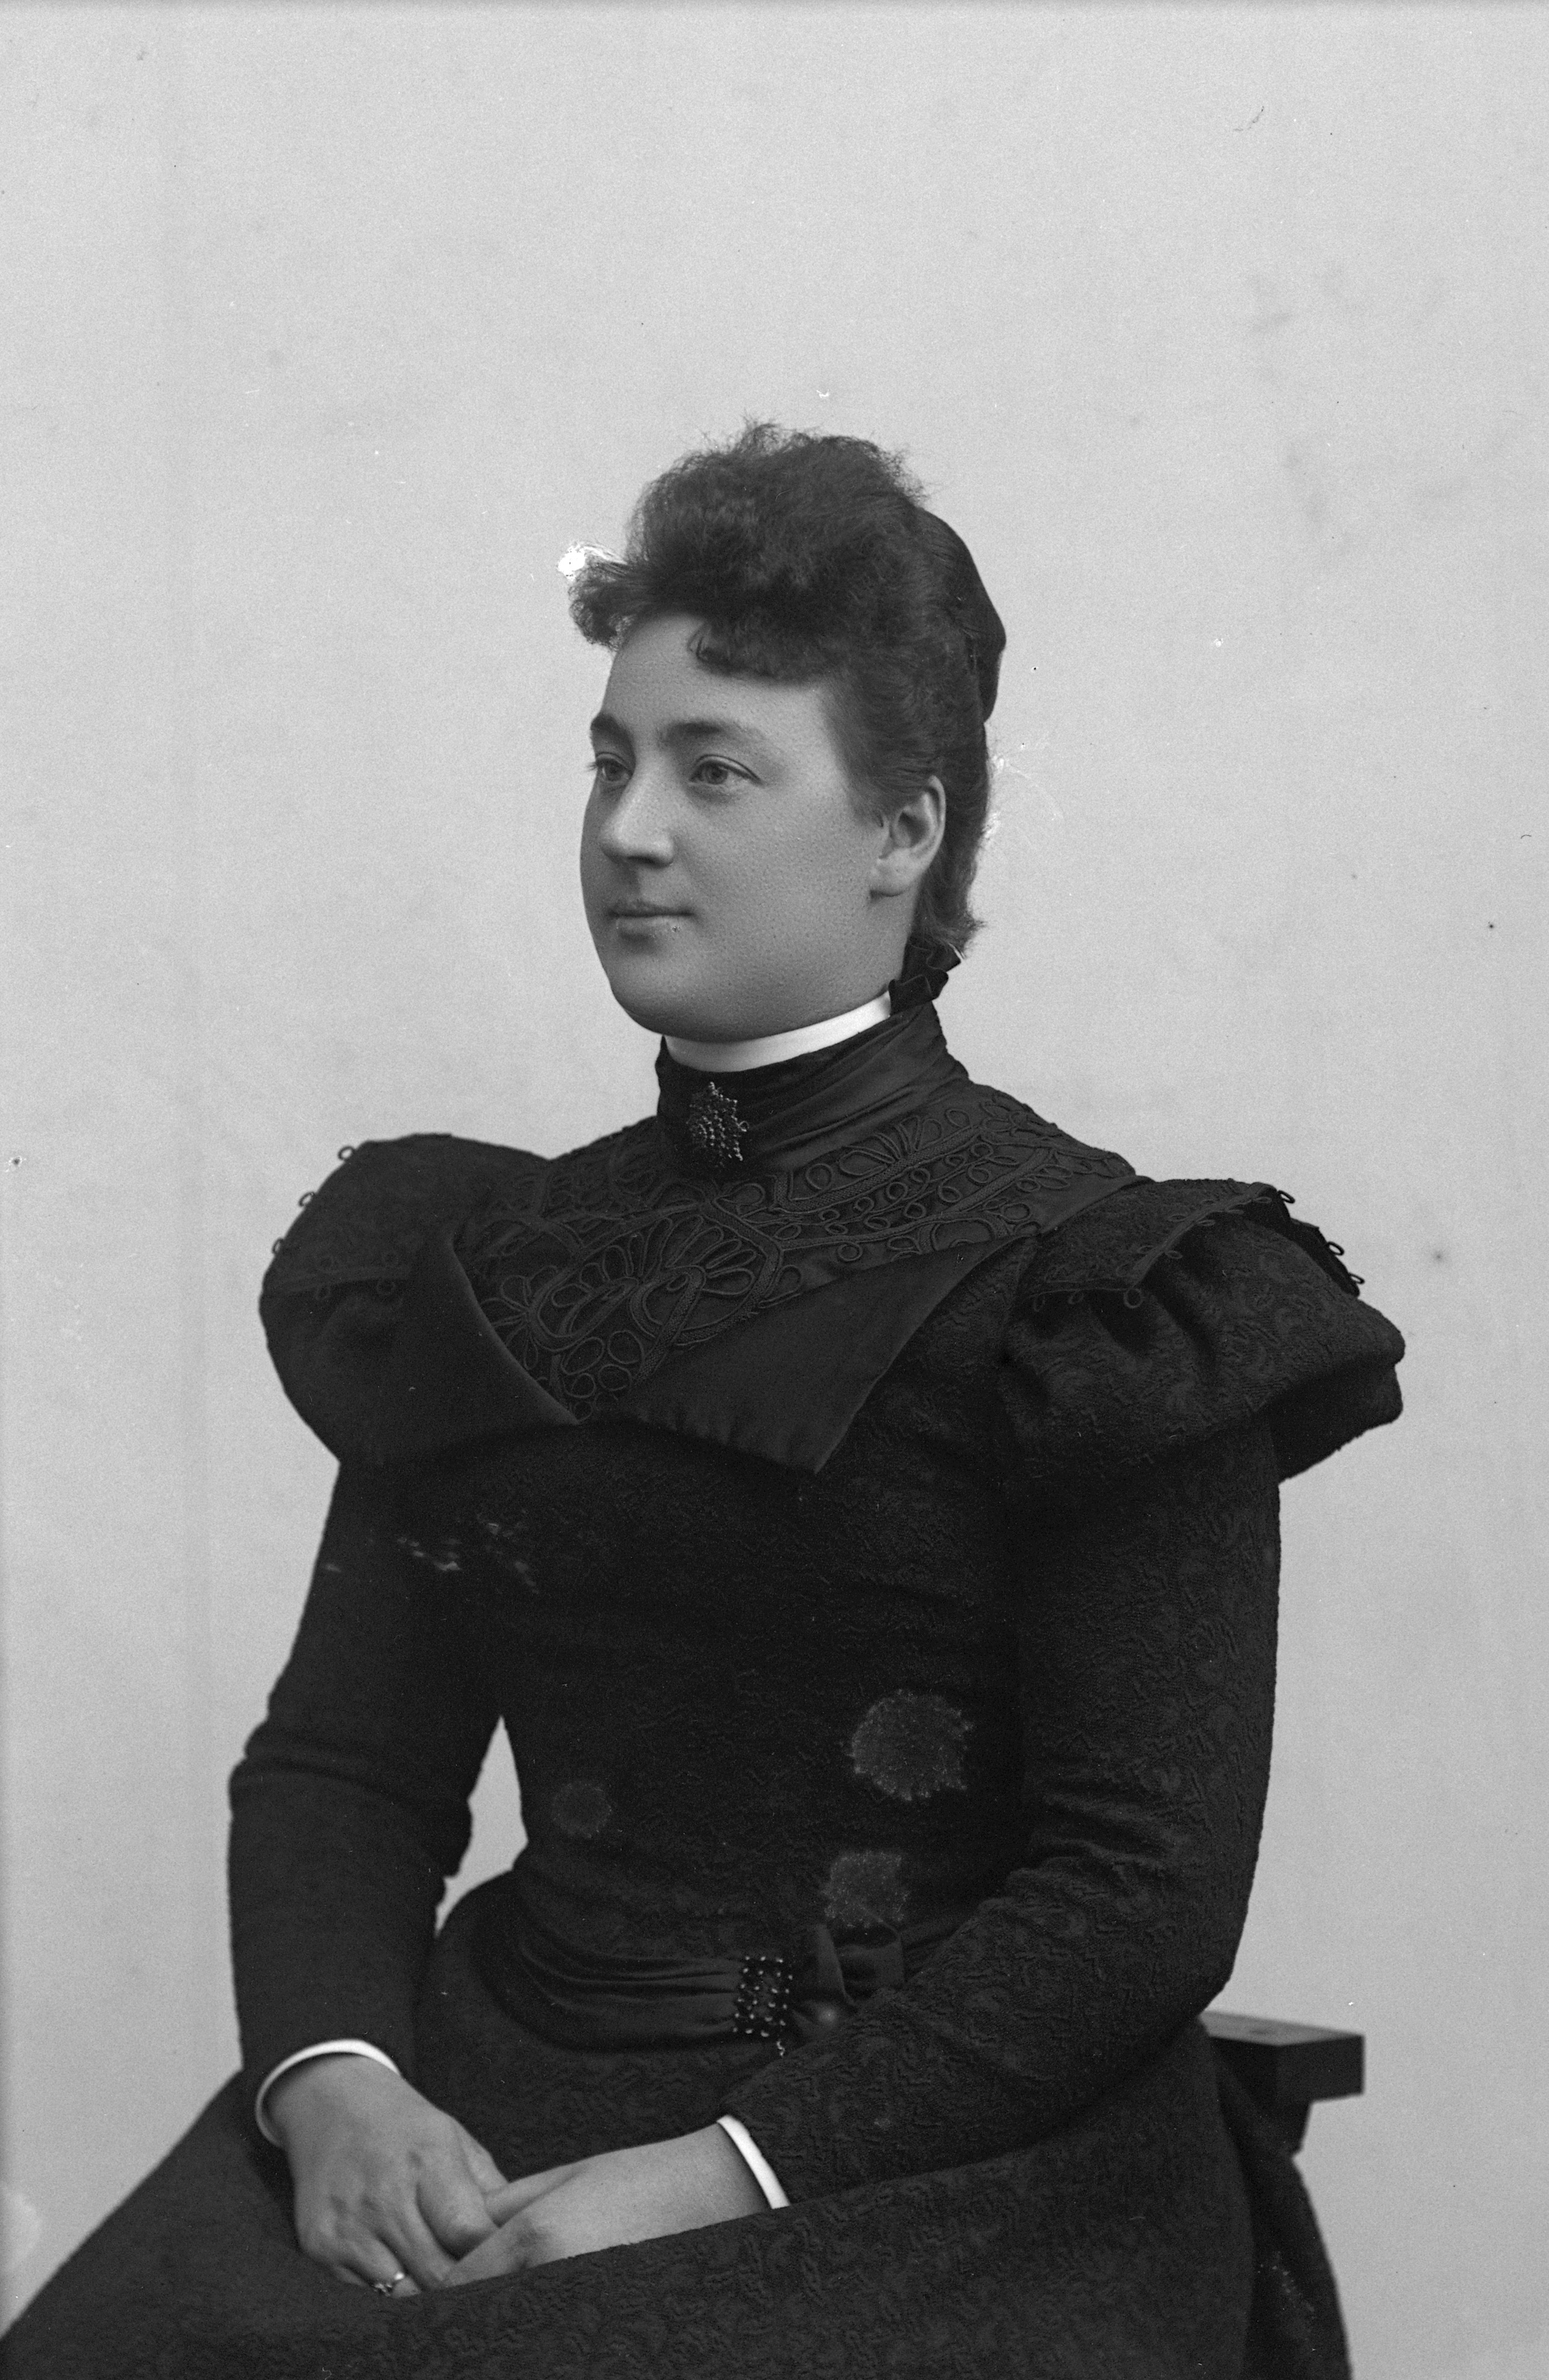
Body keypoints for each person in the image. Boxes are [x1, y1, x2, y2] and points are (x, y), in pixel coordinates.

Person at [3, 425, 1404, 2380]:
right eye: (610, 762)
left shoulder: (1094, 1295)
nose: (631, 830)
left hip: (923, 2159)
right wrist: (335, 2085)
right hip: (489, 2085)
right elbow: (345, 1766)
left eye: (714, 770)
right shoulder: (485, 1263)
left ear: (901, 832)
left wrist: (722, 2172)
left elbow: (1135, 1898)